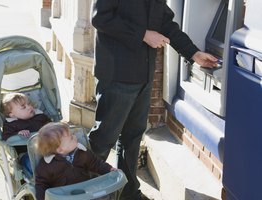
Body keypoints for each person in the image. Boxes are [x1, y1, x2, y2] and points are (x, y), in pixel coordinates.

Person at [88, 1, 219, 200]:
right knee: (104, 138)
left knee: (132, 140)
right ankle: (84, 192)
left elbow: (166, 23)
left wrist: (193, 53)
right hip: (117, 75)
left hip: (144, 76)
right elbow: (100, 17)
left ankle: (128, 194)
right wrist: (143, 34)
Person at [34, 122, 116, 200]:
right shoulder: (46, 166)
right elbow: (41, 185)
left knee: (103, 196)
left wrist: (109, 169)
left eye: (72, 134)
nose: (75, 137)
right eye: (71, 138)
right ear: (60, 150)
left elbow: (96, 163)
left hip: (85, 191)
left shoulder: (82, 152)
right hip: (63, 196)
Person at [1, 92, 51, 174]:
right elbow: (6, 137)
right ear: (12, 115)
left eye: (28, 104)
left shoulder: (40, 116)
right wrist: (17, 134)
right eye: (23, 107)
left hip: (48, 148)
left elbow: (52, 126)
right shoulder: (11, 124)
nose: (29, 107)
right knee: (33, 166)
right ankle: (41, 179)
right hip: (27, 153)